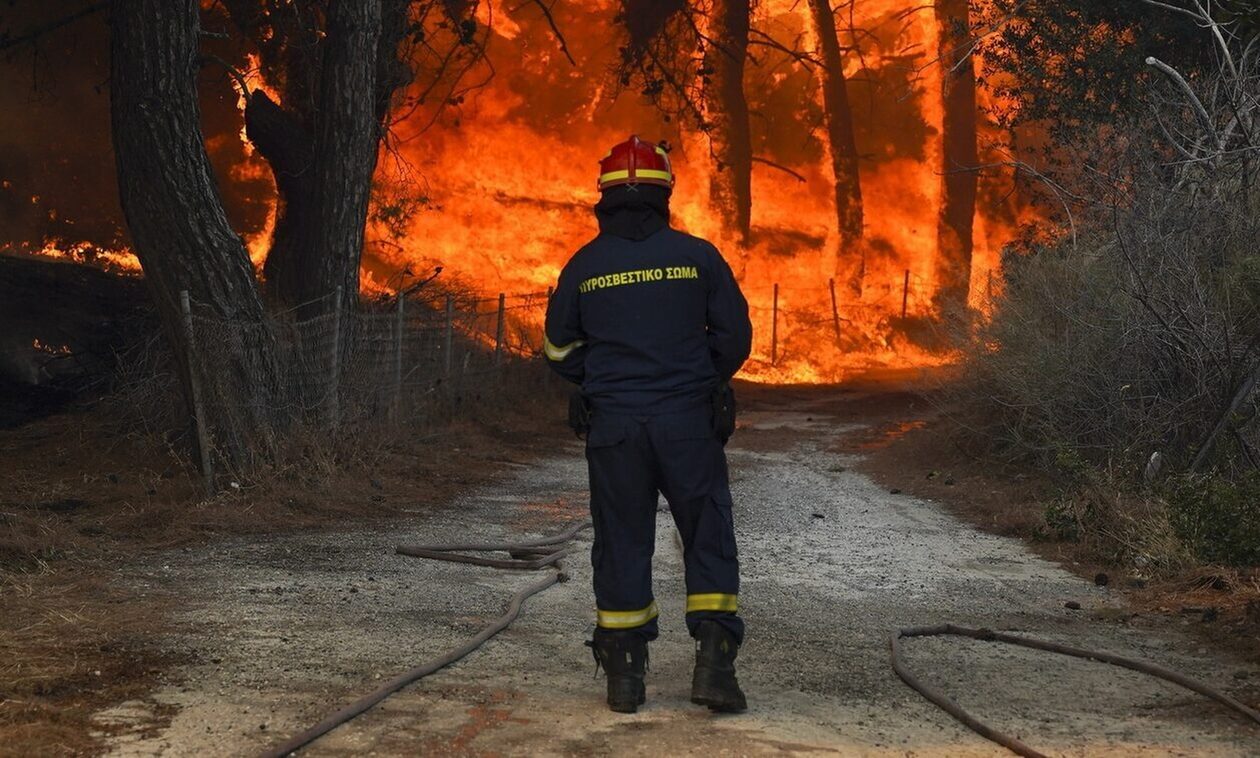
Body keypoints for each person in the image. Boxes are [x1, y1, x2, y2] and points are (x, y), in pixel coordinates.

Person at [543, 135, 753, 714]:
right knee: (706, 531)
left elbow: (557, 350)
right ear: (665, 194)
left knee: (622, 540)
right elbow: (735, 338)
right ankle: (713, 667)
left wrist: (602, 379)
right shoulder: (699, 256)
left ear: (604, 198)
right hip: (688, 423)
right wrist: (699, 380)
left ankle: (625, 679)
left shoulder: (584, 266)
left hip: (615, 428)